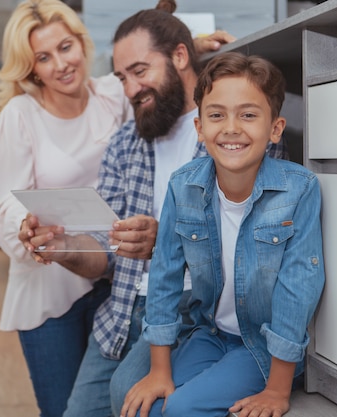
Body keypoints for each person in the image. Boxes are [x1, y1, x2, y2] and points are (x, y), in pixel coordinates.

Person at [18, 2, 286, 416]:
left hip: (193, 311)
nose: (129, 90)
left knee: (131, 398)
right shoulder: (126, 143)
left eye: (140, 72)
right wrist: (66, 248)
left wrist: (166, 239)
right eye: (123, 77)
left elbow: (256, 240)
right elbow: (106, 254)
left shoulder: (231, 132)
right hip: (122, 307)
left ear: (180, 57)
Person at [118, 52, 326, 417]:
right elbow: (164, 276)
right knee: (142, 407)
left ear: (275, 128)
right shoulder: (183, 186)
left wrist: (278, 390)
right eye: (216, 115)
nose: (231, 128)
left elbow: (299, 288)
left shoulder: (299, 190)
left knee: (180, 409)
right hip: (209, 335)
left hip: (263, 347)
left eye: (248, 115)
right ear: (200, 128)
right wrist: (159, 371)